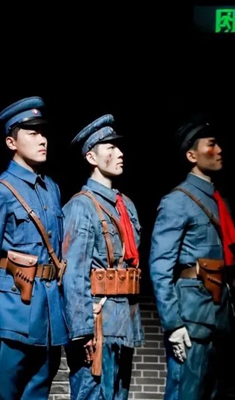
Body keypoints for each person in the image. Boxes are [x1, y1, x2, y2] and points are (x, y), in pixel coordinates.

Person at [0, 96, 68, 399]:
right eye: (32, 133)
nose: (42, 140)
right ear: (11, 142)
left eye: (43, 133)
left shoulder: (52, 189)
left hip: (48, 318)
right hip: (11, 316)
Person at [149, 117, 235, 399]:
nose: (219, 150)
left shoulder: (219, 201)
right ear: (192, 155)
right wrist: (173, 324)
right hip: (191, 318)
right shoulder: (178, 201)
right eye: (211, 145)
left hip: (219, 316)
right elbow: (160, 268)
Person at [61, 114, 144, 399]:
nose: (119, 153)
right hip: (97, 324)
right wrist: (82, 331)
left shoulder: (125, 206)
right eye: (110, 148)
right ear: (91, 157)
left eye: (119, 147)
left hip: (123, 323)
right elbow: (74, 275)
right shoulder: (81, 207)